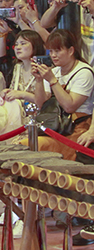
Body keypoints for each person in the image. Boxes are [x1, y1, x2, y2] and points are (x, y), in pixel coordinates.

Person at [32, 29, 94, 161]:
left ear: (71, 51)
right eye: (51, 51)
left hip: (75, 127)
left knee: (35, 145)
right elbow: (40, 104)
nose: (53, 55)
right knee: (24, 143)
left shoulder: (84, 72)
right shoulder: (54, 71)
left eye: (57, 51)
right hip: (54, 126)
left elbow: (69, 106)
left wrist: (53, 81)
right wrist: (38, 80)